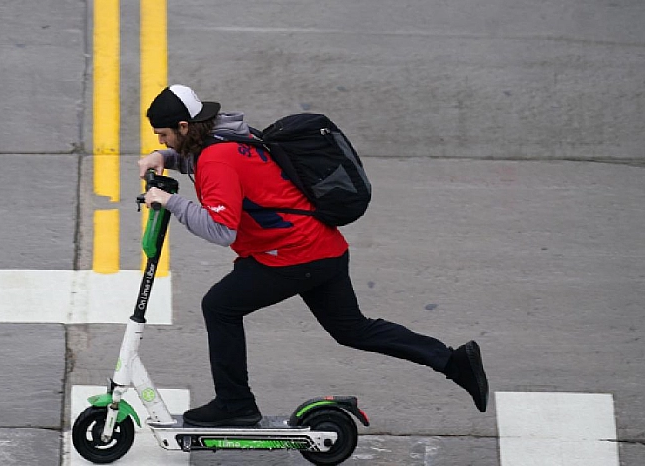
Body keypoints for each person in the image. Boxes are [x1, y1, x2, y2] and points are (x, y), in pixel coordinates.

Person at [138, 84, 489, 427]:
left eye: (164, 136)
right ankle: (453, 362)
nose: (161, 141)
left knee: (219, 306)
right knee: (353, 330)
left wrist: (171, 201)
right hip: (323, 249)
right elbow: (206, 162)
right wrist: (165, 157)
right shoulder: (227, 137)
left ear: (185, 127)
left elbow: (220, 229)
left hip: (293, 256)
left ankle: (235, 404)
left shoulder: (216, 159)